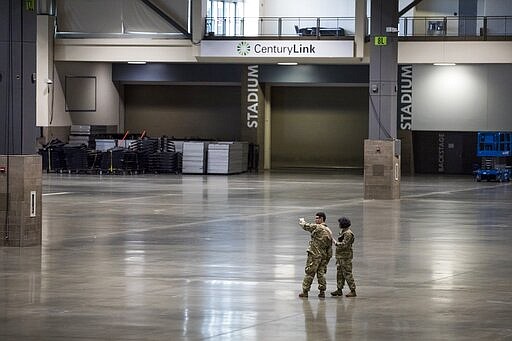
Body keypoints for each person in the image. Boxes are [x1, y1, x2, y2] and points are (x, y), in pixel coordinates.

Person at [298, 212, 334, 298]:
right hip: (323, 256)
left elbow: (305, 226)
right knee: (321, 273)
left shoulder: (317, 227)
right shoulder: (329, 230)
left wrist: (302, 221)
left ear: (322, 219)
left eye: (317, 218)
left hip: (314, 255)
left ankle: (305, 291)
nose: (316, 220)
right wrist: (327, 258)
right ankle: (322, 292)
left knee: (310, 272)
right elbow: (330, 247)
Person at [331, 216, 357, 297]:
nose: (339, 225)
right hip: (340, 256)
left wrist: (335, 242)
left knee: (347, 273)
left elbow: (344, 245)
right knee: (340, 274)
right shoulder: (343, 232)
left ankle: (353, 290)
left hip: (345, 257)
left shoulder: (348, 233)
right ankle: (339, 289)